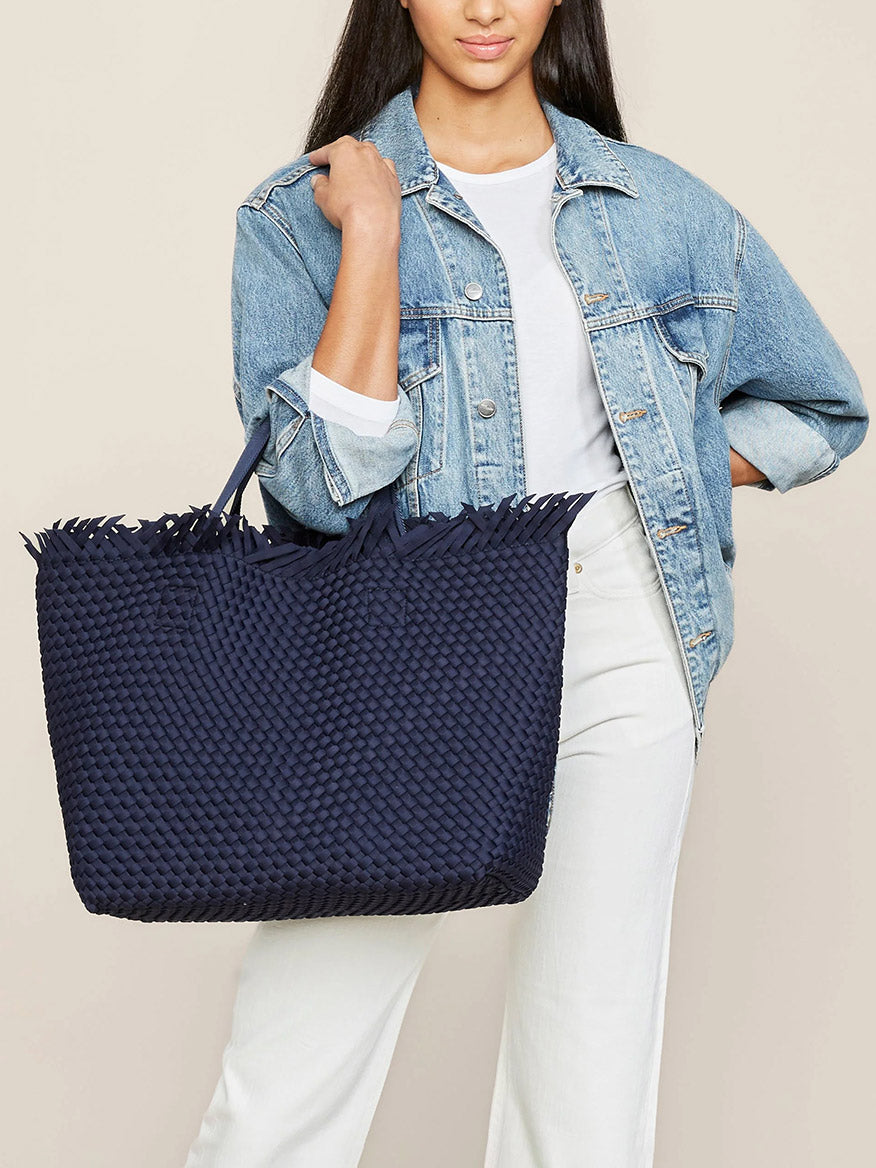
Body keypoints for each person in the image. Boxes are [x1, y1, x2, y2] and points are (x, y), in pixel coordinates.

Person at [184, 2, 868, 1165]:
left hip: (617, 625)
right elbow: (316, 492)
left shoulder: (660, 209)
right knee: (297, 1052)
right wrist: (376, 238)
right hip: (404, 629)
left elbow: (823, 407)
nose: (487, 7)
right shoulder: (300, 211)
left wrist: (664, 466)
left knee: (588, 1061)